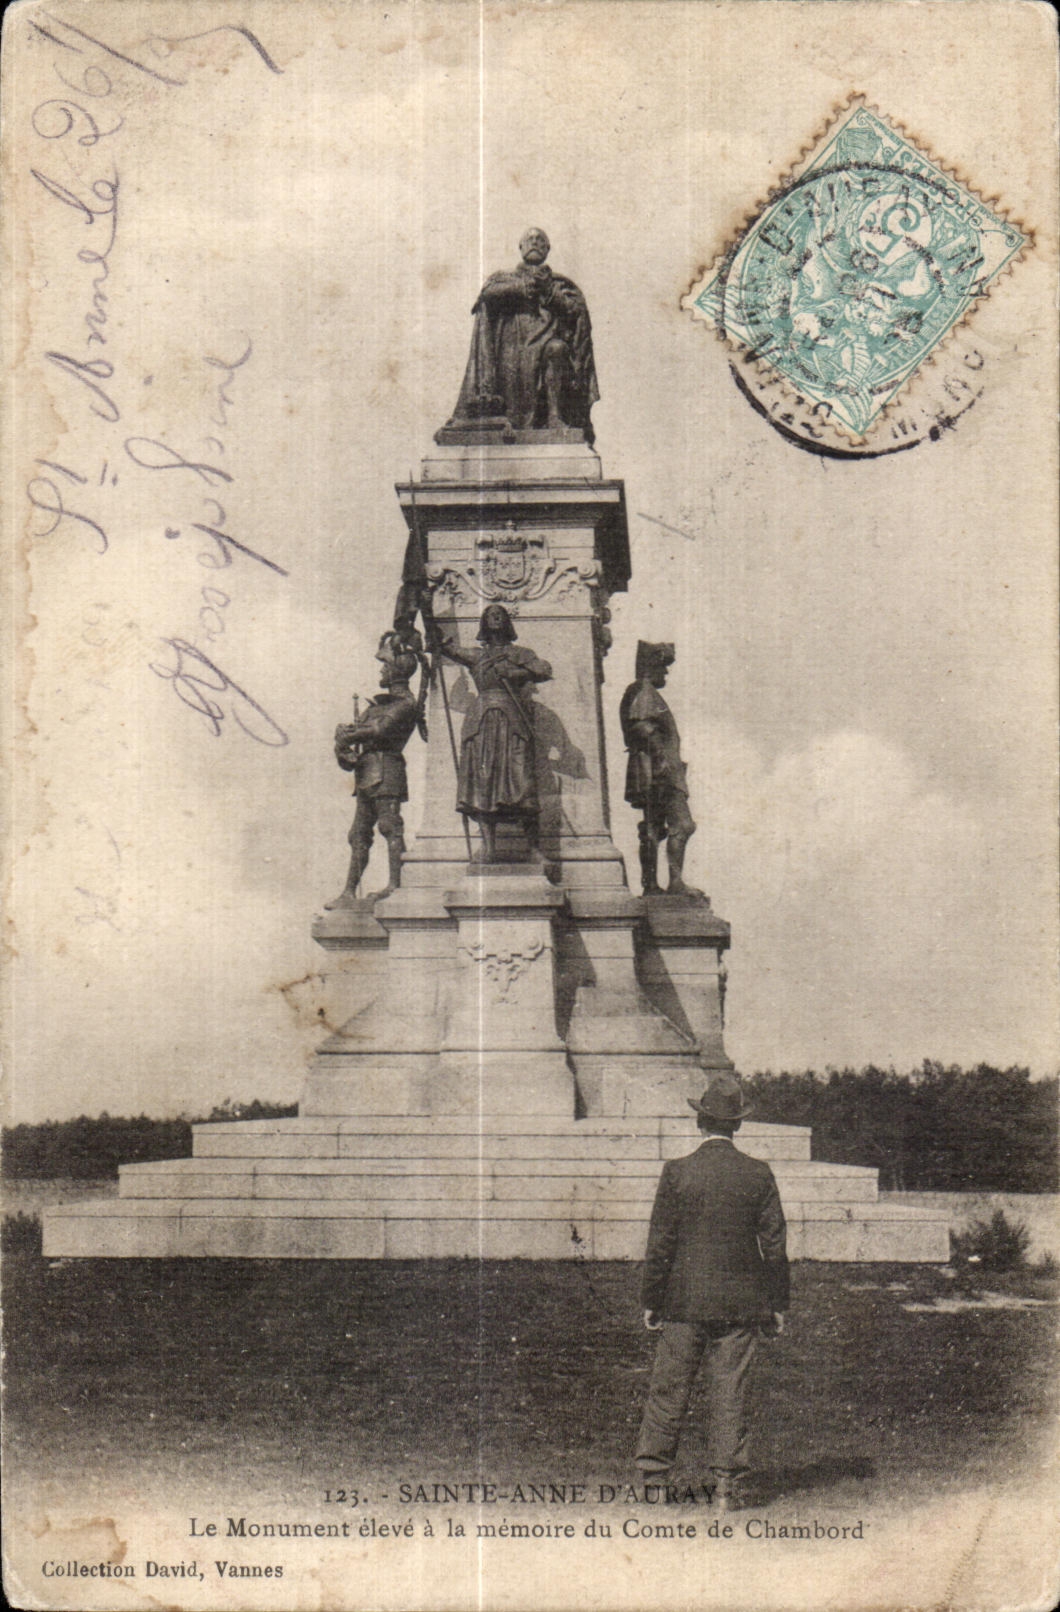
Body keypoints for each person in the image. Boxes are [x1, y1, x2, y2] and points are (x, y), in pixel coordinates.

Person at [635, 1072, 790, 1510]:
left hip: (683, 1302)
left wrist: (652, 1299)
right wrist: (777, 1304)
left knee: (669, 1390)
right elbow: (775, 1245)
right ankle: (725, 1489)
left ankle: (653, 1483)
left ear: (700, 1122)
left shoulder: (678, 1172)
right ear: (736, 1125)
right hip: (742, 1305)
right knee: (730, 1393)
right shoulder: (758, 1174)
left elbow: (660, 1243)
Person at [444, 228, 599, 442]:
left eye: (540, 240)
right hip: (512, 346)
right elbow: (487, 295)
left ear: (547, 249)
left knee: (558, 349)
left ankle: (554, 417)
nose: (535, 242)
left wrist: (549, 292)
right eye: (530, 239)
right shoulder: (504, 278)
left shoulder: (559, 284)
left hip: (547, 343)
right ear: (521, 247)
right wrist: (520, 288)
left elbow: (574, 312)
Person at [437, 603, 552, 862]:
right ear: (484, 623)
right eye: (489, 614)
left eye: (500, 614)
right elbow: (449, 649)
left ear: (507, 622)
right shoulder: (478, 656)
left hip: (513, 720)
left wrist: (515, 671)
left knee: (523, 781)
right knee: (483, 782)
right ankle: (489, 848)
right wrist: (434, 634)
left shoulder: (521, 653)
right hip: (482, 721)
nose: (495, 617)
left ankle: (534, 849)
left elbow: (544, 669)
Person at [325, 632, 421, 908]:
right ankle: (348, 892)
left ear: (396, 670)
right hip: (367, 772)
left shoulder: (405, 704)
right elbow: (352, 754)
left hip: (388, 768)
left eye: (385, 665)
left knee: (390, 827)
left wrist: (351, 734)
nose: (381, 670)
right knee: (358, 834)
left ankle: (395, 884)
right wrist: (342, 745)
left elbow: (380, 730)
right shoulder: (375, 707)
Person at [619, 641, 700, 897]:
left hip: (654, 769)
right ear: (650, 667)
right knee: (682, 824)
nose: (665, 674)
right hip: (659, 771)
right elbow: (643, 727)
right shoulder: (644, 691)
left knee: (653, 827)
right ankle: (674, 881)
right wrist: (662, 761)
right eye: (662, 668)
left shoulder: (644, 692)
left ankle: (652, 884)